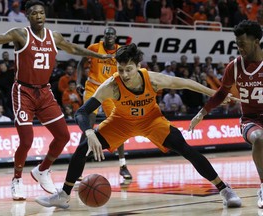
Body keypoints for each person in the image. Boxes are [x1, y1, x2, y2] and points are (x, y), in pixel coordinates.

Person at [35, 43, 242, 209]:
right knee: (82, 147)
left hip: (151, 121)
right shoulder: (111, 85)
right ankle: (63, 195)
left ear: (137, 66)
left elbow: (187, 83)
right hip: (121, 123)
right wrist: (89, 132)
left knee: (185, 148)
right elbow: (82, 112)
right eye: (121, 69)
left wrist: (215, 95)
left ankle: (224, 189)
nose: (124, 74)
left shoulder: (152, 79)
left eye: (129, 69)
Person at [0, 0, 111, 201]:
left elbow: (72, 48)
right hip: (23, 92)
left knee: (63, 136)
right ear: (28, 16)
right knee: (27, 140)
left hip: (45, 93)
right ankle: (17, 180)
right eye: (34, 13)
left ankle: (42, 170)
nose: (38, 16)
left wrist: (98, 56)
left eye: (41, 13)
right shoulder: (20, 34)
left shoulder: (53, 36)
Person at [188, 20, 263, 208]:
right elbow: (221, 93)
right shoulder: (235, 66)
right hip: (251, 120)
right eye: (237, 44)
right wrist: (201, 113)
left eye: (242, 43)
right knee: (259, 138)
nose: (239, 48)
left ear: (256, 40)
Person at [76, 26, 132, 180]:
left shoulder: (121, 52)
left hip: (110, 90)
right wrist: (78, 82)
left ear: (115, 37)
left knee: (119, 126)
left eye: (111, 34)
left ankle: (123, 165)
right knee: (88, 125)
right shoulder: (94, 48)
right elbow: (80, 64)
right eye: (106, 34)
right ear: (103, 36)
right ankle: (78, 167)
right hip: (93, 87)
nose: (109, 36)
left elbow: (128, 70)